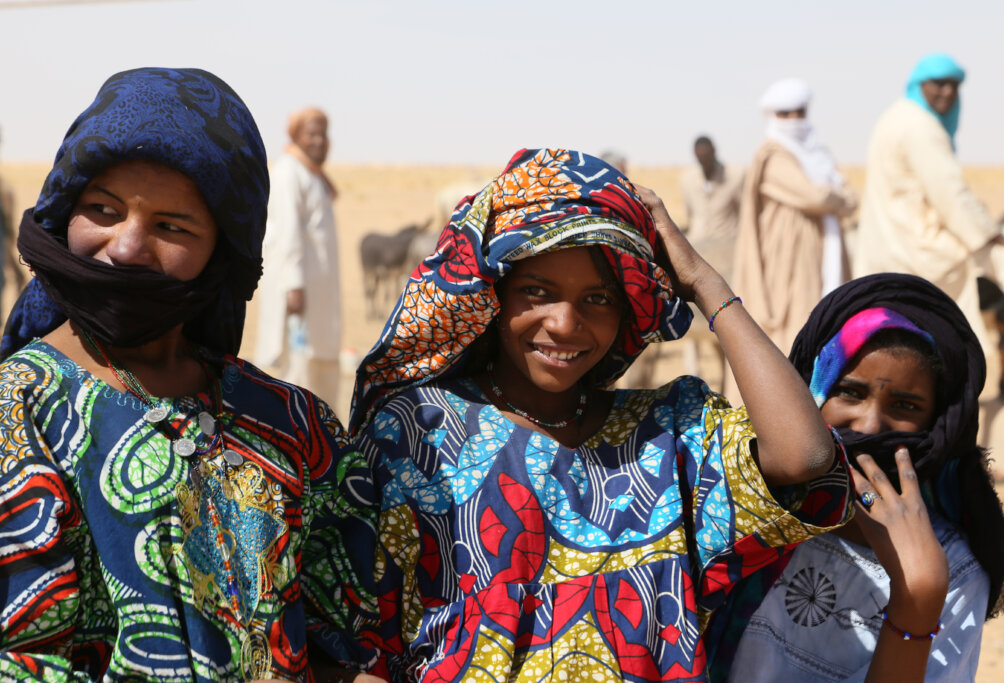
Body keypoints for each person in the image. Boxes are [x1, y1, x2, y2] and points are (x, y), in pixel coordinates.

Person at [347, 148, 853, 681]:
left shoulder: (668, 435)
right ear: (493, 296)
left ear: (629, 308)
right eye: (536, 292)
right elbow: (365, 646)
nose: (565, 323)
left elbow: (806, 454)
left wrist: (705, 282)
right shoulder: (418, 434)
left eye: (598, 298)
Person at [0, 68, 380, 682]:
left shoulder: (294, 424)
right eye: (102, 209)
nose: (126, 247)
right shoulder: (19, 412)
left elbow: (346, 632)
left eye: (171, 227)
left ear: (220, 254)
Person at [707, 273, 1004, 682]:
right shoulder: (746, 508)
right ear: (810, 391)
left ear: (939, 425)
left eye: (905, 404)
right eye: (850, 393)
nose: (870, 426)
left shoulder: (952, 569)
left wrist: (916, 598)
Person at [855, 54, 1004, 400]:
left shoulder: (895, 117)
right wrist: (993, 235)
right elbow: (951, 195)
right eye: (939, 84)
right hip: (921, 247)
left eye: (954, 86)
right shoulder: (921, 127)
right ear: (921, 86)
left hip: (890, 244)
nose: (947, 93)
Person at [731, 78, 857, 361]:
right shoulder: (772, 156)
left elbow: (848, 199)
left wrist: (835, 197)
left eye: (799, 112)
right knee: (792, 327)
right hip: (787, 262)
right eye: (785, 113)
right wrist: (837, 195)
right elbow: (816, 197)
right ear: (773, 116)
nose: (793, 119)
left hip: (823, 254)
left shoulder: (818, 154)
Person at [254, 107, 343, 409]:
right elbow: (289, 232)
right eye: (312, 134)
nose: (319, 141)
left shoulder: (313, 176)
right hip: (300, 292)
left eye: (323, 134)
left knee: (320, 374)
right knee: (297, 376)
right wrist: (293, 285)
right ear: (296, 137)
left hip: (320, 294)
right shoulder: (288, 172)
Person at [679, 136, 744, 281]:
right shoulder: (688, 180)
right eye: (700, 157)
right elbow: (690, 216)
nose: (704, 161)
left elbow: (746, 214)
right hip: (698, 250)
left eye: (707, 156)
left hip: (728, 250)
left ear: (714, 151)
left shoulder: (735, 176)